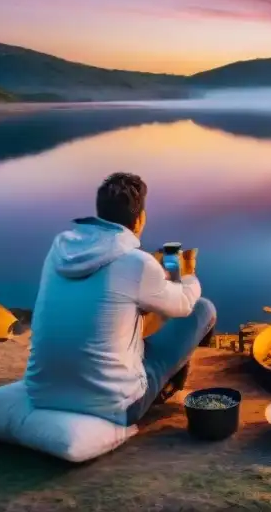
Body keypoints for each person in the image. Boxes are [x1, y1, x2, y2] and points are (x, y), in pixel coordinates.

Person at [24, 172, 216, 426]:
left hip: (42, 393)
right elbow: (183, 305)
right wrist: (189, 275)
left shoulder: (60, 248)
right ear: (140, 219)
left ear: (100, 213)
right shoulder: (136, 263)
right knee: (203, 309)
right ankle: (171, 386)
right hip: (116, 405)